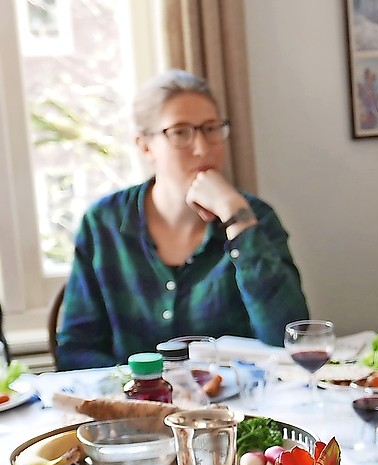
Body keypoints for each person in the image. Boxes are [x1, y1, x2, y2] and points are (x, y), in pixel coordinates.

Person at [58, 70, 307, 370]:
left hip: (236, 409)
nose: (202, 148)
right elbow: (77, 350)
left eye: (211, 129)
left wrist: (235, 217)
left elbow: (289, 339)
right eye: (180, 132)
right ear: (145, 146)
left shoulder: (256, 218)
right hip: (136, 405)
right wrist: (133, 388)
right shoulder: (103, 223)